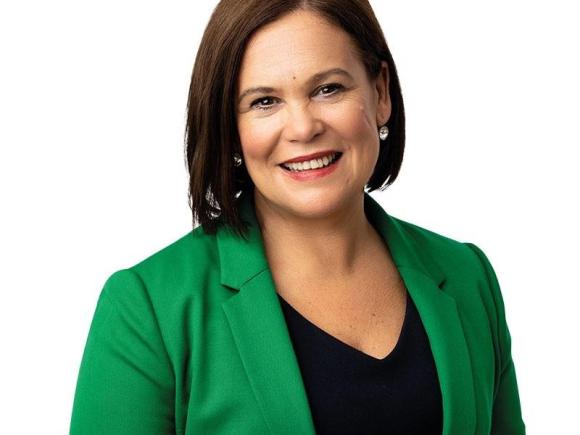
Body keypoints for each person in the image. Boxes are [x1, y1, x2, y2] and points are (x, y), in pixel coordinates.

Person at [69, 1, 525, 434]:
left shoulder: (469, 276)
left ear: (380, 92)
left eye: (328, 89)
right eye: (264, 101)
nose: (304, 127)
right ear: (230, 126)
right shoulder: (148, 308)